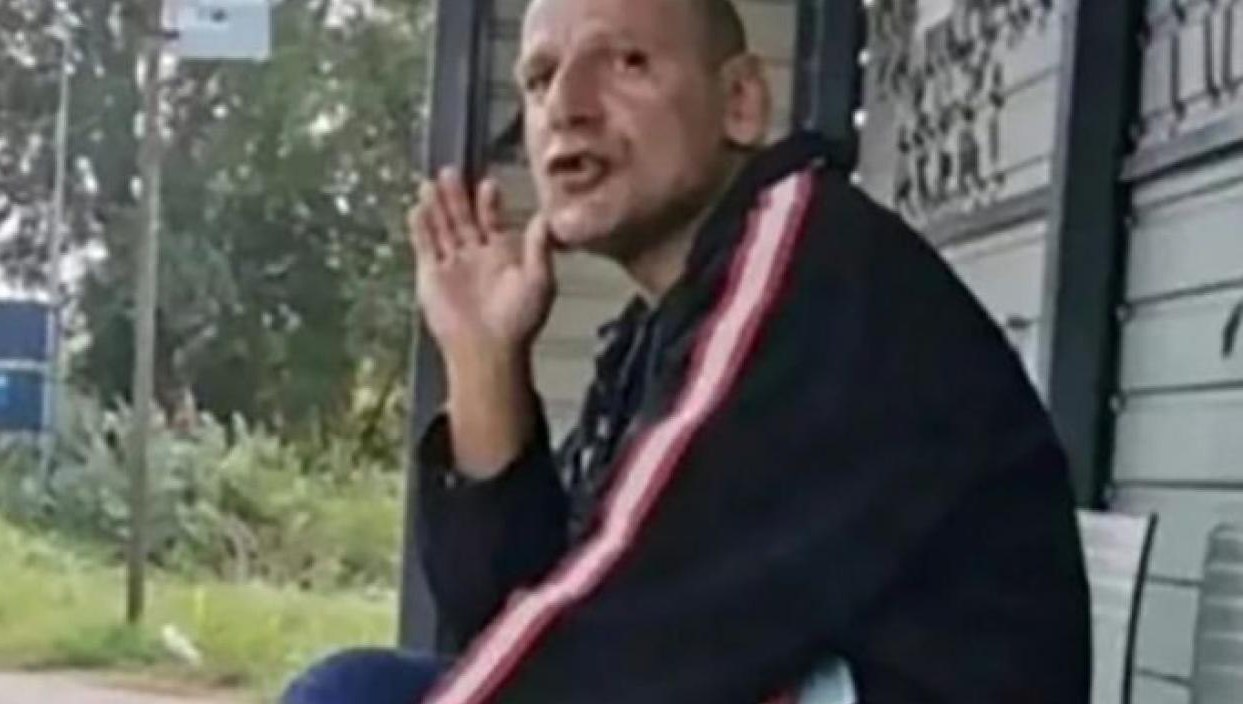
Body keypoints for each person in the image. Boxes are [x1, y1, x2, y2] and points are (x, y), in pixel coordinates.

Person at [282, 0, 1090, 701]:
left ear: (740, 101)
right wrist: (483, 358)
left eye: (626, 61)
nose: (567, 106)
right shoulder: (670, 323)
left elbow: (617, 644)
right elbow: (517, 617)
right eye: (539, 79)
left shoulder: (808, 268)